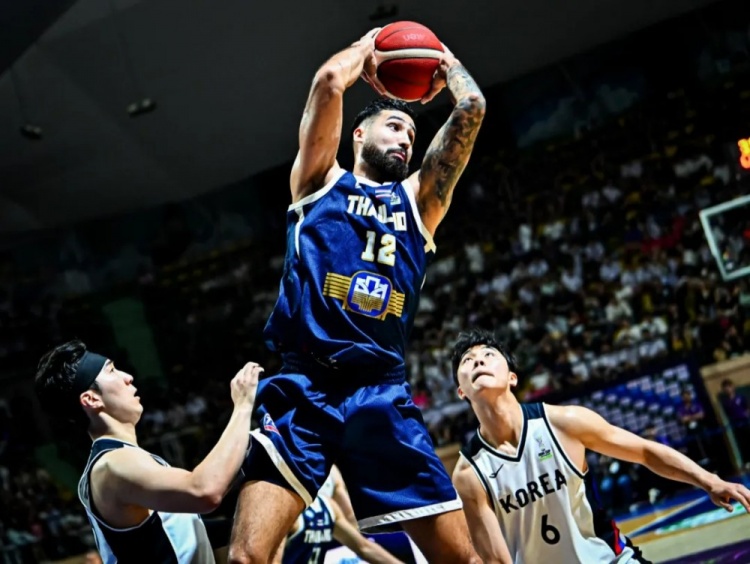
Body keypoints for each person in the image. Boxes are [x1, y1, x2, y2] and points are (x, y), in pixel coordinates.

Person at [229, 26, 486, 564]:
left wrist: (445, 64)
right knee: (247, 557)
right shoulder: (319, 182)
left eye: (411, 134)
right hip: (305, 386)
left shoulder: (420, 202)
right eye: (394, 126)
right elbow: (328, 80)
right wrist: (370, 46)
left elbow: (472, 107)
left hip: (379, 393)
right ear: (358, 135)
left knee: (462, 561)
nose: (406, 139)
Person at [450, 329, 750, 564]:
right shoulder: (469, 474)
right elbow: (496, 560)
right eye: (467, 360)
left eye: (488, 354)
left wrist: (709, 480)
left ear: (512, 377)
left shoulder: (564, 422)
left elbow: (645, 451)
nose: (478, 361)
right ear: (461, 391)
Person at [33, 340, 262, 564]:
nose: (127, 377)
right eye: (111, 370)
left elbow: (179, 535)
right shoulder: (113, 464)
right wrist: (243, 406)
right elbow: (204, 491)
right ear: (91, 399)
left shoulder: (121, 459)